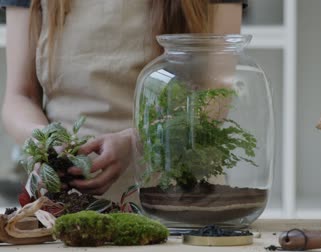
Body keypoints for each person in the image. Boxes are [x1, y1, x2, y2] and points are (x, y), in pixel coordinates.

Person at [1, 0, 245, 202]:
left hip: (178, 199)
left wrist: (138, 140)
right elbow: (20, 97)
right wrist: (45, 144)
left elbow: (216, 96)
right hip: (67, 203)